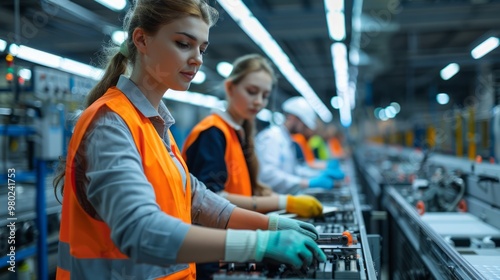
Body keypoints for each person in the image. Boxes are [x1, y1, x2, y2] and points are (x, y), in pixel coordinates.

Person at [52, 1, 325, 279]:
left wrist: (271, 225)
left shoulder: (156, 126)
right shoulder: (110, 123)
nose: (198, 59)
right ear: (142, 40)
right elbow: (139, 230)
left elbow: (199, 200)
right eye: (184, 43)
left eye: (202, 49)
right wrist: (256, 244)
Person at [182, 53, 324, 279]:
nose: (258, 101)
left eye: (265, 95)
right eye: (251, 91)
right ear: (230, 88)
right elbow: (210, 200)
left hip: (235, 249)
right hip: (214, 254)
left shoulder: (238, 133)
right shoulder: (212, 133)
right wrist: (283, 202)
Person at [255, 96, 345, 194]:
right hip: (271, 200)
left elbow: (294, 170)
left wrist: (317, 175)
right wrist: (307, 182)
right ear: (293, 118)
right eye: (304, 124)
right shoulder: (271, 137)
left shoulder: (287, 139)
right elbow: (268, 176)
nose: (304, 129)